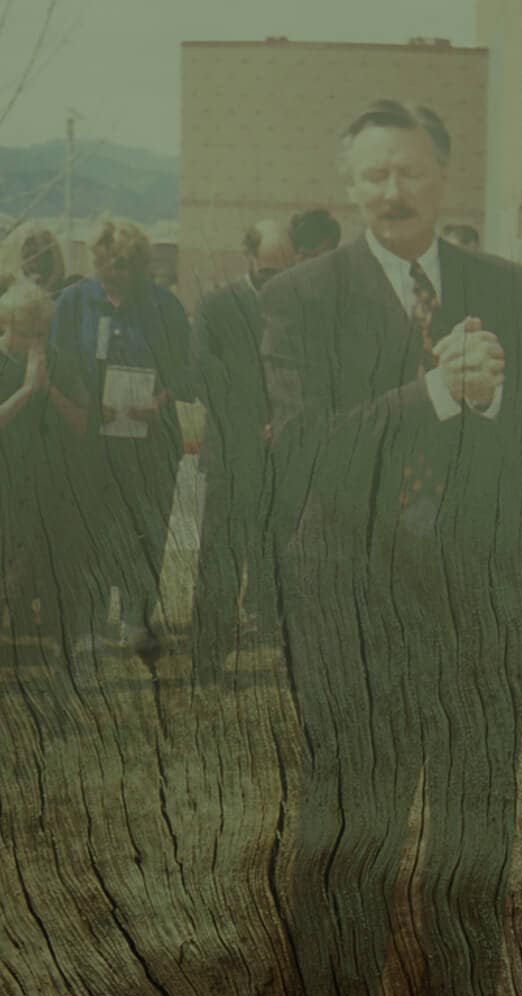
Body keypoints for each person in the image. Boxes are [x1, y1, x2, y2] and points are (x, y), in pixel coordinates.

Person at [262, 99, 522, 996]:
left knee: (474, 836)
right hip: (354, 613)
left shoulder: (509, 292)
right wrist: (437, 395)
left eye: (408, 171)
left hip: (477, 608)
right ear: (349, 185)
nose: (391, 191)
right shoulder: (303, 296)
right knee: (351, 837)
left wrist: (498, 404)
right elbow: (304, 454)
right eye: (373, 175)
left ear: (444, 176)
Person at [47, 221, 194, 668]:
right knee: (89, 532)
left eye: (124, 265)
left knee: (145, 529)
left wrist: (161, 400)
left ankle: (136, 619)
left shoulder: (165, 305)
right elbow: (57, 365)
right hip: (90, 444)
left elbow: (185, 368)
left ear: (140, 264)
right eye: (105, 263)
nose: (113, 272)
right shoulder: (72, 302)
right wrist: (88, 405)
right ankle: (89, 625)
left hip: (150, 443)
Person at [186, 219, 295, 684]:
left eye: (284, 272)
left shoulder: (304, 305)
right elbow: (202, 372)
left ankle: (288, 655)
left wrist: (287, 417)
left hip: (286, 452)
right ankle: (207, 659)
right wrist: (252, 422)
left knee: (282, 558)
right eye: (267, 272)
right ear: (249, 258)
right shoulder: (216, 306)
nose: (275, 281)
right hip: (233, 452)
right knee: (221, 560)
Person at [0, 283, 86, 653]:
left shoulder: (61, 361)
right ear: (5, 324)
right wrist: (26, 391)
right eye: (27, 334)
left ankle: (46, 630)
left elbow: (83, 423)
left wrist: (48, 387)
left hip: (48, 481)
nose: (36, 342)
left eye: (42, 333)